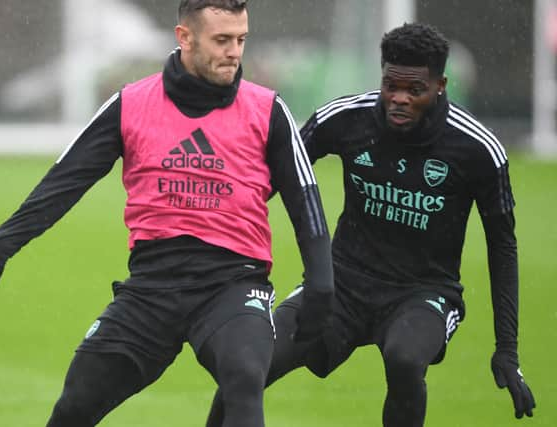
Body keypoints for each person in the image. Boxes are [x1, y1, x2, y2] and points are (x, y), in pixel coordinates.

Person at [0, 1, 334, 426]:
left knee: (244, 378)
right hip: (152, 287)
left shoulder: (267, 110)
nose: (234, 52)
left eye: (241, 40)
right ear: (184, 38)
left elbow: (305, 198)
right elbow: (63, 184)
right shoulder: (131, 104)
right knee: (75, 405)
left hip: (233, 284)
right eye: (222, 40)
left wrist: (321, 281)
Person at [206, 22, 535, 426]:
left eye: (414, 90)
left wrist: (508, 349)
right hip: (342, 284)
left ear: (441, 85)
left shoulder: (477, 149)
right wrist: (214, 243)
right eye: (390, 85)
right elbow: (272, 177)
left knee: (405, 358)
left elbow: (502, 246)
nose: (399, 99)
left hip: (424, 293)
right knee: (247, 363)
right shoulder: (348, 118)